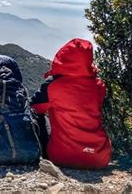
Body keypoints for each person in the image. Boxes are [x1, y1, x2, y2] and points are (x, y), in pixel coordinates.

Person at [30, 38, 111, 169]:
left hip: (62, 157)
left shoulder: (53, 85)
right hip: (99, 158)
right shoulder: (99, 86)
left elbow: (33, 108)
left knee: (37, 116)